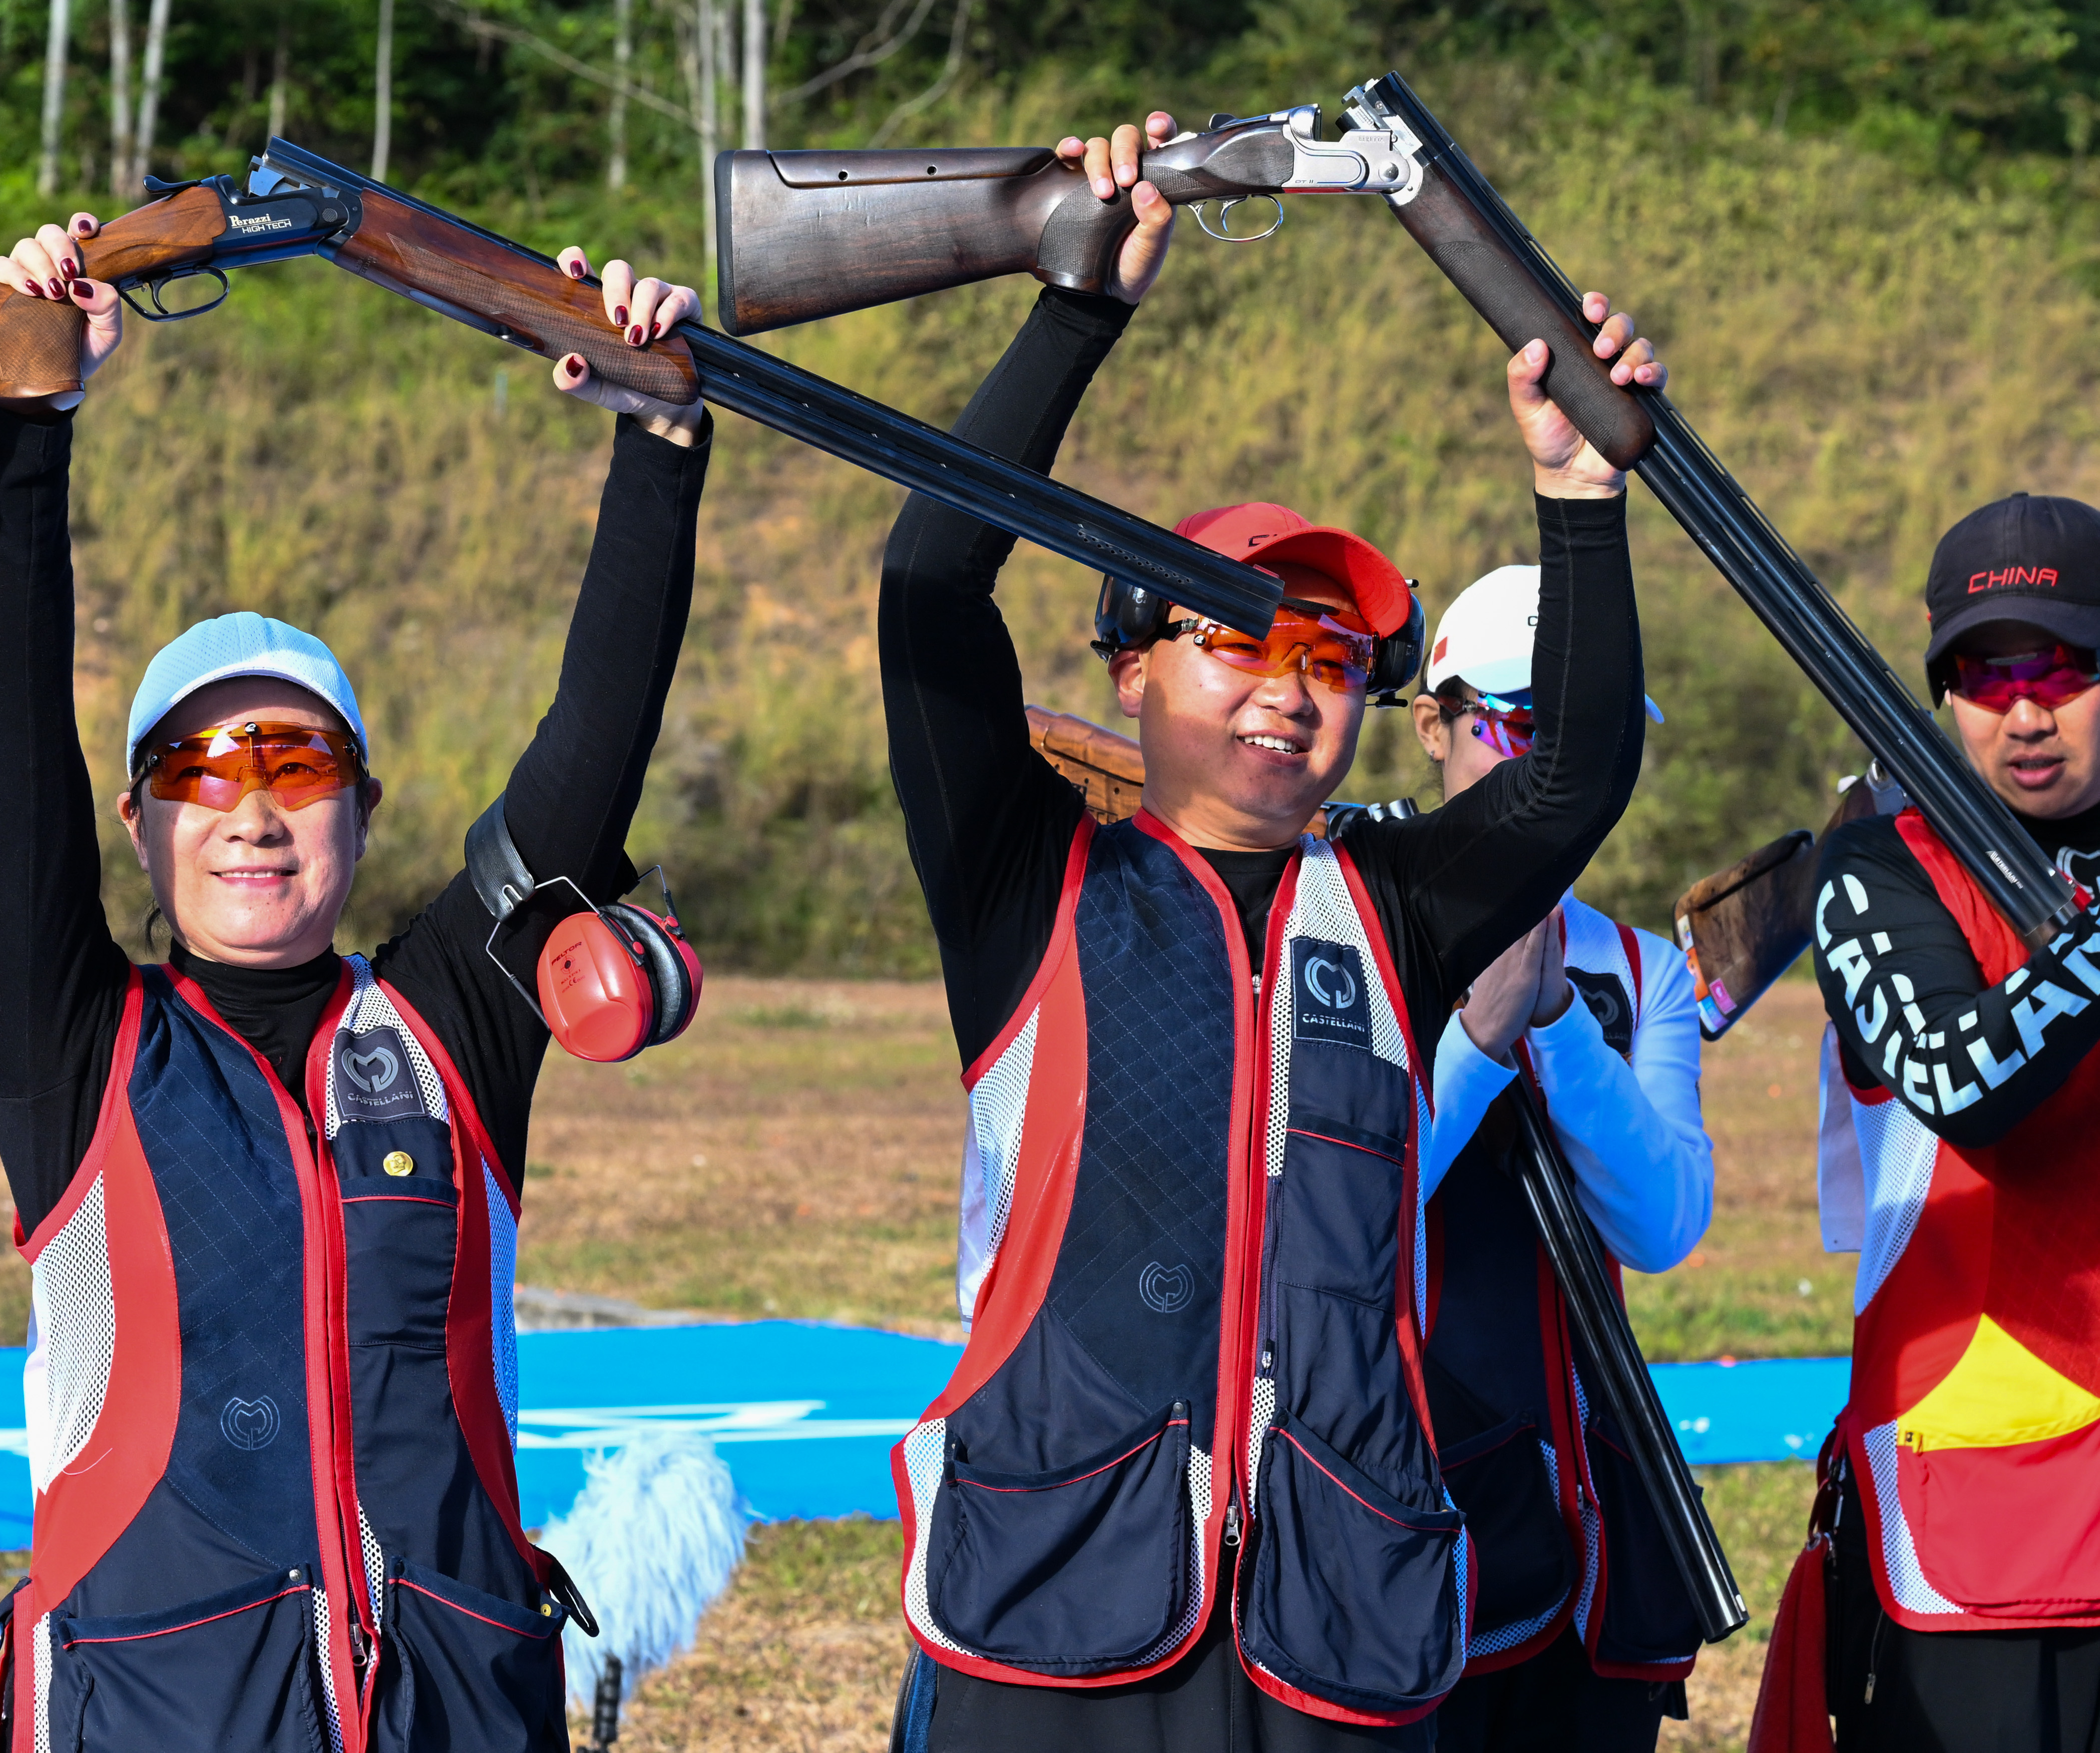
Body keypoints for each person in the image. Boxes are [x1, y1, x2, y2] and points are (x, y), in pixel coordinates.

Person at [879, 112, 1664, 1753]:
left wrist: (1575, 495)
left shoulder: (1391, 911)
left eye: (1324, 656)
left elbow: (1579, 768)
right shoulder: (1032, 881)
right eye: (1229, 635)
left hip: (1334, 1616)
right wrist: (1075, 306)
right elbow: (930, 582)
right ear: (1127, 673)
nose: (1285, 684)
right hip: (1053, 1611)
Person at [0, 212, 711, 1753]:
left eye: (297, 761)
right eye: (198, 766)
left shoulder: (449, 1027)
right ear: (135, 817)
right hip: (155, 1713)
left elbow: (587, 766)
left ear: (363, 808)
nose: (249, 806)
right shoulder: (76, 1047)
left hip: (458, 1708)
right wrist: (29, 420)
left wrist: (659, 433)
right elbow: (11, 736)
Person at [1405, 567, 1715, 1750]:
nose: (1559, 773)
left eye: (1594, 738)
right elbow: (1332, 1200)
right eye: (1524, 726)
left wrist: (1556, 1021)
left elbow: (1663, 1223)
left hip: (1591, 1510)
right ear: (1432, 725)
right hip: (1408, 1497)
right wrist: (1478, 1042)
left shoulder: (1644, 970)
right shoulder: (1346, 914)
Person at [1811, 492, 2100, 1752]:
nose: (2025, 709)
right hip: (1985, 1509)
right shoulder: (1877, 860)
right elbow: (1961, 1078)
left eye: (2062, 666)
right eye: (1983, 673)